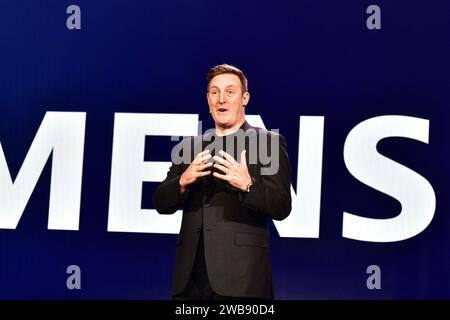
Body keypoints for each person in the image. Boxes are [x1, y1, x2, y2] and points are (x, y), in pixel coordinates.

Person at [153, 64, 292, 299]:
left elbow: (282, 206)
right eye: (215, 92)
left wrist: (248, 185)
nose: (221, 100)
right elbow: (160, 202)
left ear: (245, 98)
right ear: (208, 99)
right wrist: (182, 181)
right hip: (190, 280)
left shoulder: (268, 142)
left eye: (230, 92)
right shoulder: (190, 147)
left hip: (241, 278)